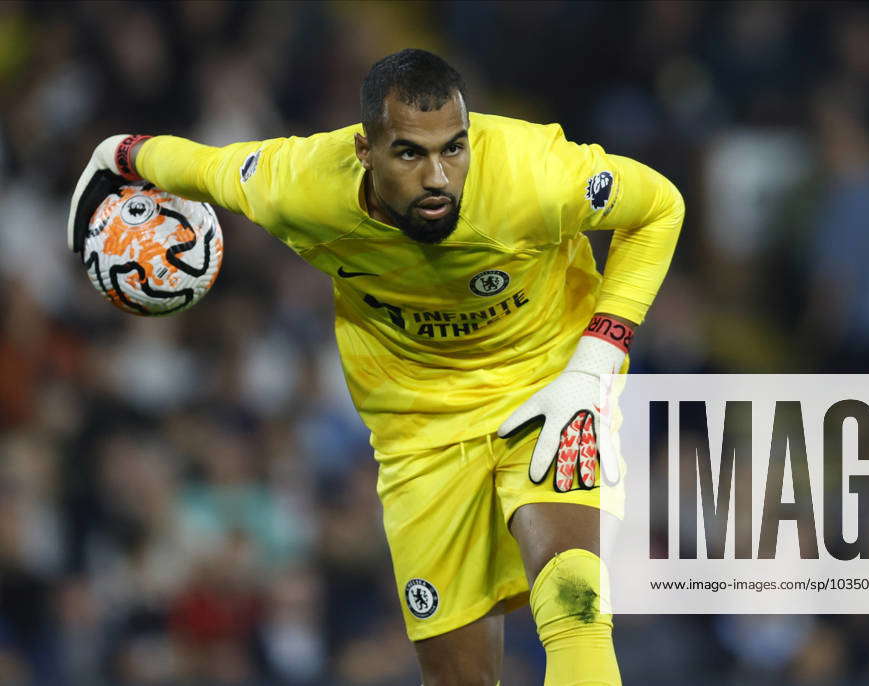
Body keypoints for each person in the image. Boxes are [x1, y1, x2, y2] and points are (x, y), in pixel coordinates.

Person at [67, 49, 684, 686]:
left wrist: (594, 364)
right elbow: (203, 167)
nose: (439, 177)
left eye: (454, 148)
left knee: (574, 595)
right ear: (365, 151)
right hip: (417, 430)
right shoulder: (300, 186)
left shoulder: (534, 174)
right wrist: (116, 154)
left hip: (550, 386)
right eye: (410, 154)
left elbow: (660, 207)